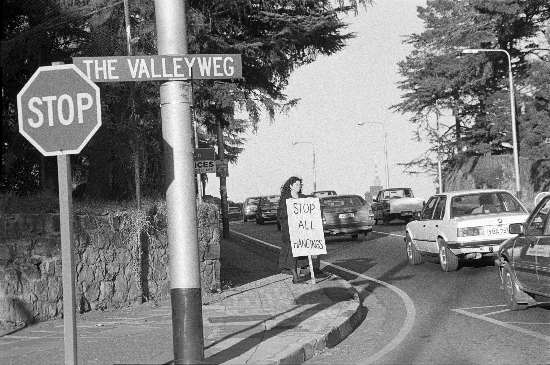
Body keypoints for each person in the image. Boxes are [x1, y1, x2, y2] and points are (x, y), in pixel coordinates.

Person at [277, 176, 327, 283]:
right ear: (291, 186)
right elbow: (281, 215)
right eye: (296, 185)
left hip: (301, 230)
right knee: (292, 252)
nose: (299, 187)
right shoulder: (285, 198)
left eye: (300, 185)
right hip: (290, 230)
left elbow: (310, 207)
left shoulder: (302, 197)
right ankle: (295, 276)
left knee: (305, 249)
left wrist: (314, 200)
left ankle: (312, 270)